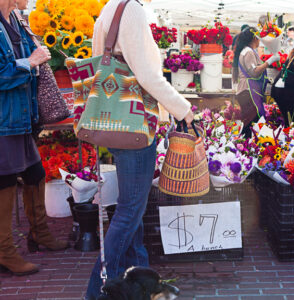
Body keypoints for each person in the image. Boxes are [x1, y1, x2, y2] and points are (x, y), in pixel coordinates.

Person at [84, 0, 194, 298]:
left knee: (132, 208)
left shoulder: (112, 7)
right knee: (130, 210)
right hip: (134, 128)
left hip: (120, 122)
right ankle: (97, 291)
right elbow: (147, 74)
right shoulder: (129, 9)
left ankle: (139, 281)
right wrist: (182, 108)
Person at [0, 0, 69, 276]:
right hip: (3, 120)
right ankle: (5, 251)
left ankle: (39, 233)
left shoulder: (16, 19)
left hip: (21, 116)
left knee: (35, 172)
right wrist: (29, 62)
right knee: (4, 179)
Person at [232, 27, 280, 137]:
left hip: (246, 91)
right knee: (252, 123)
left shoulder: (246, 51)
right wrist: (270, 61)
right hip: (248, 91)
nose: (259, 41)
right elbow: (254, 72)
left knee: (251, 122)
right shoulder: (248, 52)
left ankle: (245, 145)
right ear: (254, 38)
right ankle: (245, 146)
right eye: (258, 38)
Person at [271, 47, 294, 125]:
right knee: (293, 118)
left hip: (277, 88)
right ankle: (291, 133)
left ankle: (288, 131)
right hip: (288, 90)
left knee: (287, 118)